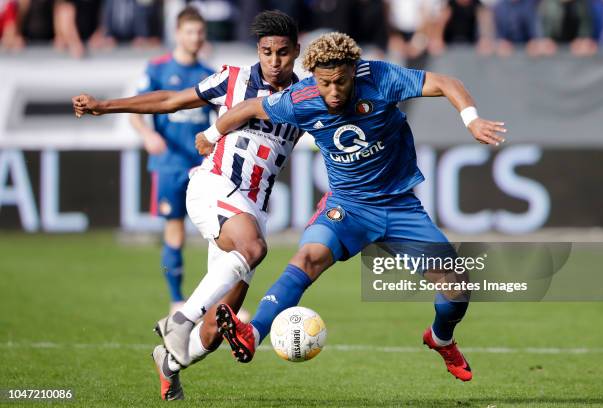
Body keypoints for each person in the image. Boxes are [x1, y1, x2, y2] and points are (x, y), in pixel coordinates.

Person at [196, 32, 506, 382]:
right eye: (324, 83)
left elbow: (446, 82)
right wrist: (211, 134)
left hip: (399, 206)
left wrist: (472, 119)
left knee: (457, 286)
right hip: (348, 206)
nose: (332, 92)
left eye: (340, 82)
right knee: (307, 258)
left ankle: (440, 338)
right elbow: (250, 107)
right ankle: (253, 333)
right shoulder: (299, 98)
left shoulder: (379, 77)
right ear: (313, 76)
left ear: (353, 71)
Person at [72, 10, 301, 400]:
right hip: (213, 187)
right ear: (257, 51)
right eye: (267, 52)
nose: (274, 62)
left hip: (250, 210)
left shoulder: (308, 94)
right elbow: (172, 100)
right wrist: (105, 105)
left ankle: (170, 362)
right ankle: (179, 320)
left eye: (283, 53)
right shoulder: (233, 79)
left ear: (296, 51)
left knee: (215, 328)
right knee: (255, 249)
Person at [128, 6, 215, 314]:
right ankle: (176, 299)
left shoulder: (208, 75)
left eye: (200, 32)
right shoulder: (157, 69)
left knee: (217, 234)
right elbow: (136, 110)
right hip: (169, 165)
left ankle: (215, 301)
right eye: (190, 32)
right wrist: (147, 135)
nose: (195, 38)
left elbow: (221, 118)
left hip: (203, 168)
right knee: (174, 231)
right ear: (178, 34)